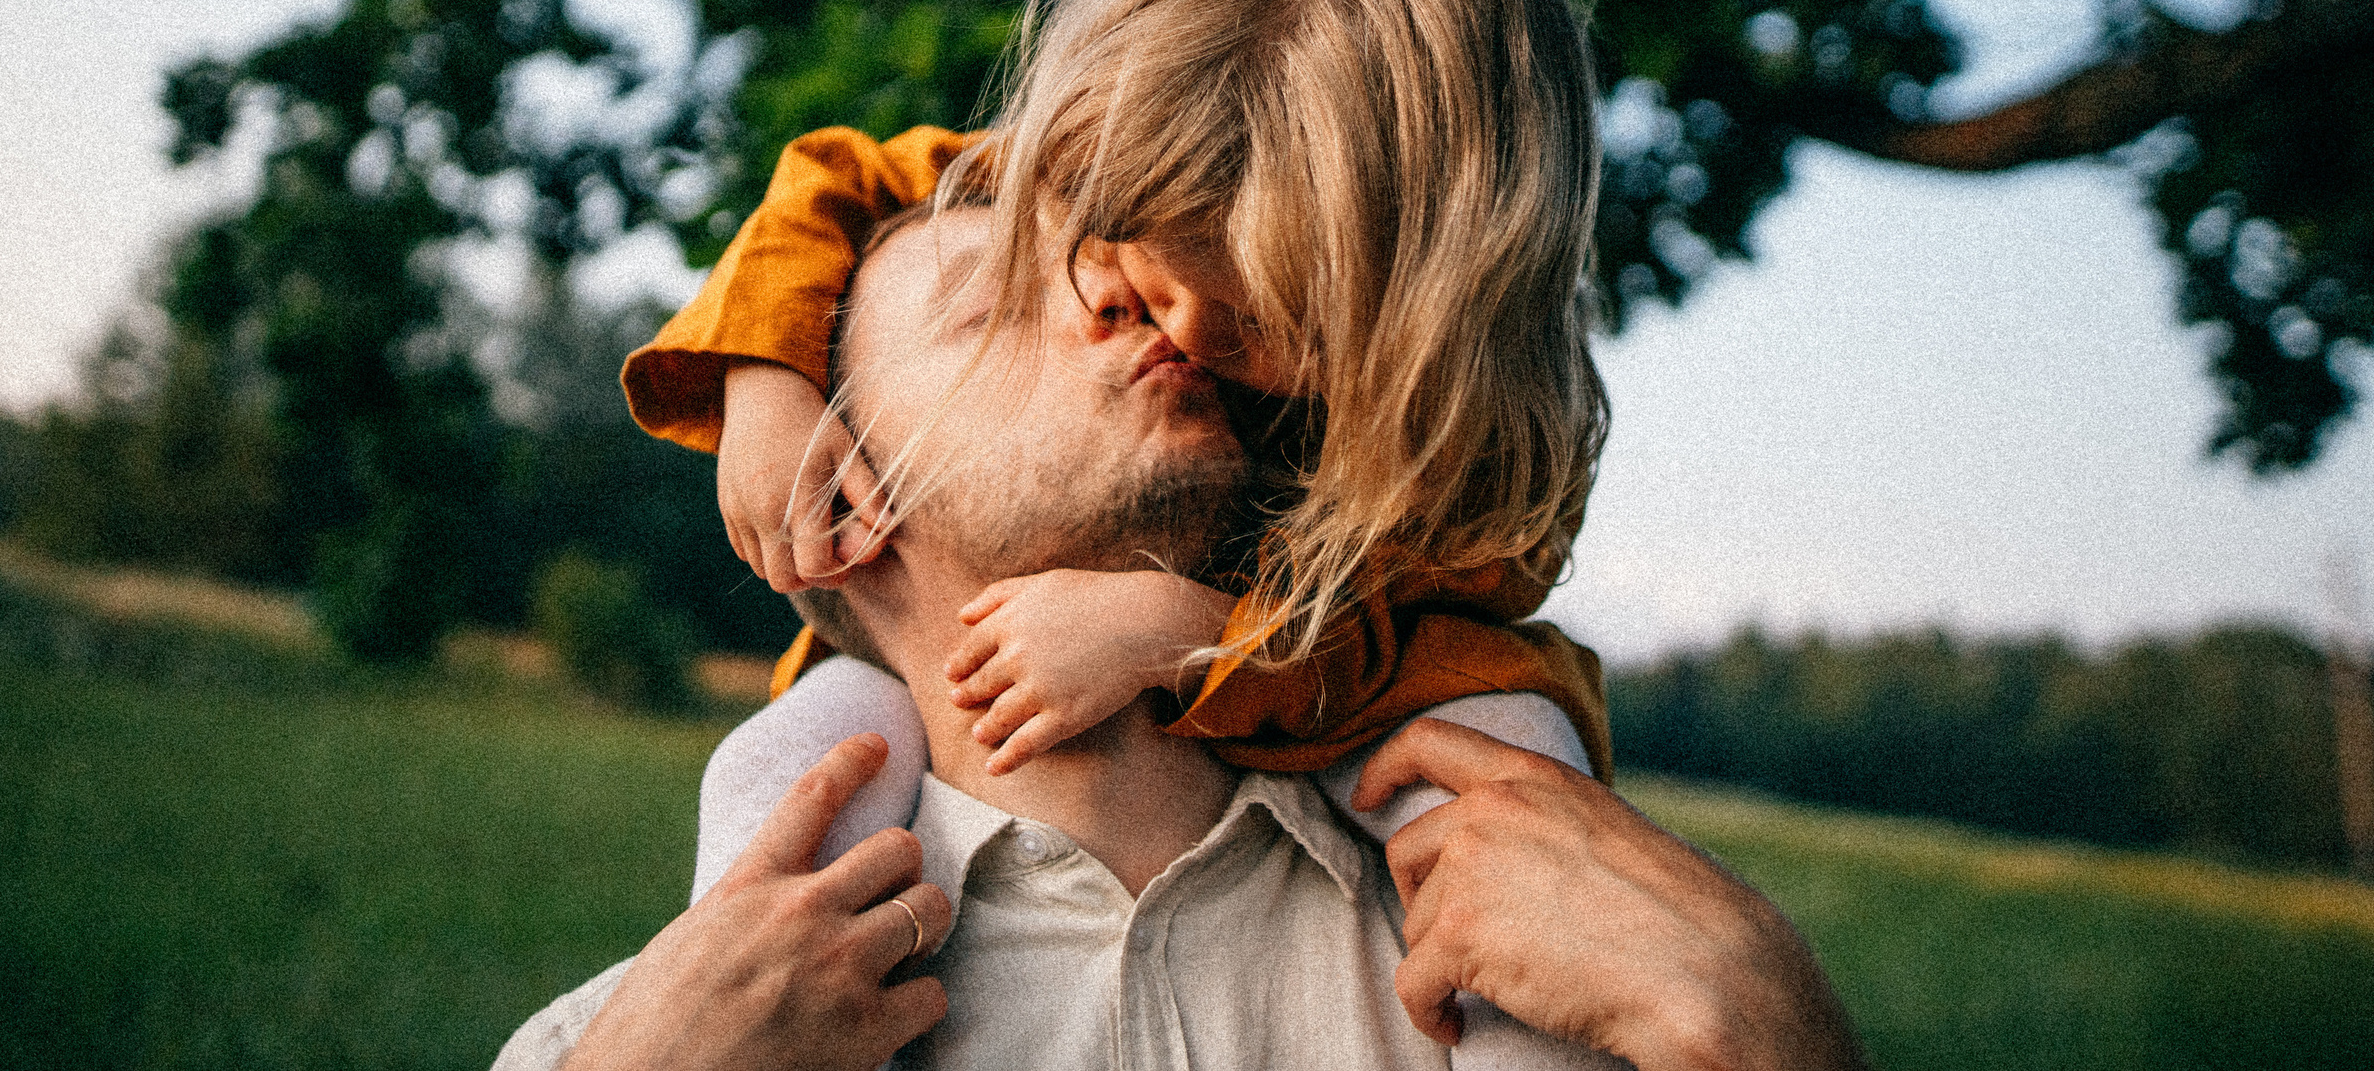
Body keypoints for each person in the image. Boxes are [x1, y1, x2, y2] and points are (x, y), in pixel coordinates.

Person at [499, 204, 1864, 1070]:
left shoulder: (1546, 956)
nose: (1122, 296)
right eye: (988, 303)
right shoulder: (636, 1045)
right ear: (845, 499)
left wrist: (1776, 1041)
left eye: (1095, 257)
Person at [623, 0, 1614, 884]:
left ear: (1424, 329)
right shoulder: (1125, 155)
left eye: (1260, 323)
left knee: (1509, 755)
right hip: (915, 699)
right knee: (801, 750)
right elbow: (839, 180)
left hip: (1341, 669)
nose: (1177, 330)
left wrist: (1183, 628)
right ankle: (757, 953)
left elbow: (1399, 653)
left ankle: (1519, 960)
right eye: (1138, 263)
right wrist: (765, 379)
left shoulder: (1469, 474)